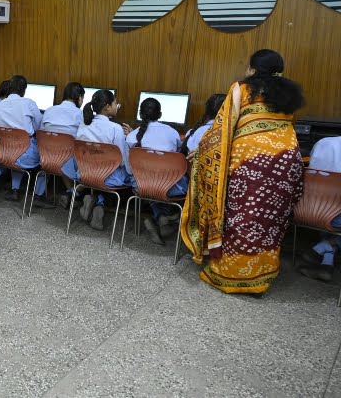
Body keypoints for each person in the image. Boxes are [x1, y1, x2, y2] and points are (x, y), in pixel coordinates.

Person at [181, 49, 304, 295]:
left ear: (252, 69)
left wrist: (202, 150)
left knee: (242, 219)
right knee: (270, 222)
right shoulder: (289, 95)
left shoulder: (242, 89)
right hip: (286, 163)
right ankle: (263, 275)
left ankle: (230, 275)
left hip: (250, 165)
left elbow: (222, 128)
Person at [126, 97, 186, 245]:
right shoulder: (172, 133)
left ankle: (160, 217)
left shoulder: (132, 136)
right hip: (170, 188)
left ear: (140, 114)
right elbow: (177, 158)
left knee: (150, 181)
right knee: (169, 178)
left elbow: (128, 169)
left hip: (142, 186)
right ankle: (168, 217)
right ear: (160, 115)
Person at [76, 89, 133, 230]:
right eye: (116, 103)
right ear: (108, 107)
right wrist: (130, 140)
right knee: (127, 173)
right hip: (108, 179)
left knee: (101, 172)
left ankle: (93, 199)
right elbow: (121, 161)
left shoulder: (84, 124)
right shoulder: (115, 128)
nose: (117, 106)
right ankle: (100, 204)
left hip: (85, 174)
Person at [0, 75, 48, 206]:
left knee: (16, 149)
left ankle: (14, 189)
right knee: (45, 160)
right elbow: (40, 127)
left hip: (1, 154)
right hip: (23, 155)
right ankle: (39, 197)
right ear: (24, 90)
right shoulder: (28, 104)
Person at [298, 136, 341, 282]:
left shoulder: (323, 142)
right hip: (334, 217)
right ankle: (322, 246)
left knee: (330, 200)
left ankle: (326, 265)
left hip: (307, 210)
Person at [38, 82, 85, 208]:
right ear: (80, 98)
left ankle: (41, 194)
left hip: (46, 158)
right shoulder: (80, 114)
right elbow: (84, 138)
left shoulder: (49, 111)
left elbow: (41, 133)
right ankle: (77, 194)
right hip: (68, 162)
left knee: (62, 153)